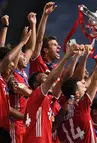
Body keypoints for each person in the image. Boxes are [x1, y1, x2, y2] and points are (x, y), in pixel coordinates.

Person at [23, 42, 79, 143]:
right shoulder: (36, 96)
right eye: (43, 78)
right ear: (36, 86)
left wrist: (75, 57)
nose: (47, 78)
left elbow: (63, 79)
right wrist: (66, 56)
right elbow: (52, 78)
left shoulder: (50, 100)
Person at [57, 37, 97, 143]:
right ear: (77, 93)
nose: (85, 84)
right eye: (82, 84)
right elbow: (96, 80)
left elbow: (74, 80)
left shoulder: (63, 108)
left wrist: (84, 56)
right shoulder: (82, 107)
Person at [8, 12, 36, 143]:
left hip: (25, 121)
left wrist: (33, 24)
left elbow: (31, 47)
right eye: (22, 55)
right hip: (15, 123)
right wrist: (21, 42)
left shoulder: (22, 72)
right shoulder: (12, 72)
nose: (25, 56)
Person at [0, 26, 31, 142]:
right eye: (10, 63)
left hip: (5, 127)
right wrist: (22, 42)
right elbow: (7, 58)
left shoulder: (4, 80)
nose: (13, 65)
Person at [29, 2, 59, 76]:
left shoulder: (56, 68)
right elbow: (39, 40)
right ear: (46, 50)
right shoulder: (37, 61)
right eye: (54, 45)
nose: (59, 47)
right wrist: (45, 15)